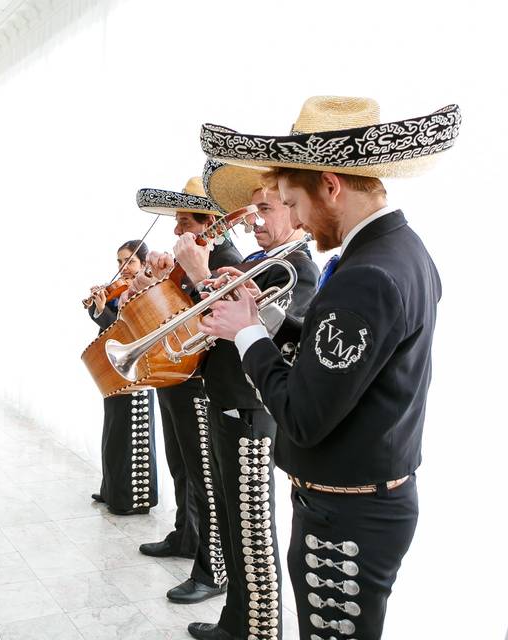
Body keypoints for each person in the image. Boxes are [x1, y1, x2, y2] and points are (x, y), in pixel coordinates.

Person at [197, 96, 461, 639]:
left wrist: (245, 334)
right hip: (366, 506)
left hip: (347, 518)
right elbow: (344, 359)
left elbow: (300, 414)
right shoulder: (402, 251)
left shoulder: (367, 274)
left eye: (293, 201)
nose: (292, 218)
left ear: (331, 185)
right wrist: (266, 319)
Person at [179, 160, 319, 640]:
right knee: (234, 523)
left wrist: (201, 276)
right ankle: (236, 622)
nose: (255, 219)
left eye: (266, 208)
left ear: (293, 211)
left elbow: (270, 341)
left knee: (253, 529)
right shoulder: (261, 263)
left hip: (253, 411)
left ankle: (257, 631)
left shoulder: (298, 268)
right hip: (229, 401)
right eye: (255, 209)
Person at [128, 175, 241, 604]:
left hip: (200, 381)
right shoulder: (186, 258)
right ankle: (185, 535)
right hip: (175, 375)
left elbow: (209, 318)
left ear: (208, 222)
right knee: (182, 465)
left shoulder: (226, 257)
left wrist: (195, 275)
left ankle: (211, 571)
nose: (176, 231)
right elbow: (167, 310)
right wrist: (149, 284)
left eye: (183, 221)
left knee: (204, 477)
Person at [87, 239, 158, 515]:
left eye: (129, 261)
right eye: (119, 262)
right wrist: (99, 307)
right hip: (113, 372)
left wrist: (104, 310)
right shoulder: (120, 290)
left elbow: (124, 332)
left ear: (143, 263)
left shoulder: (145, 291)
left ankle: (133, 499)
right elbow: (108, 326)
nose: (123, 268)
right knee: (114, 431)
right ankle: (112, 489)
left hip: (134, 371)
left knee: (133, 434)